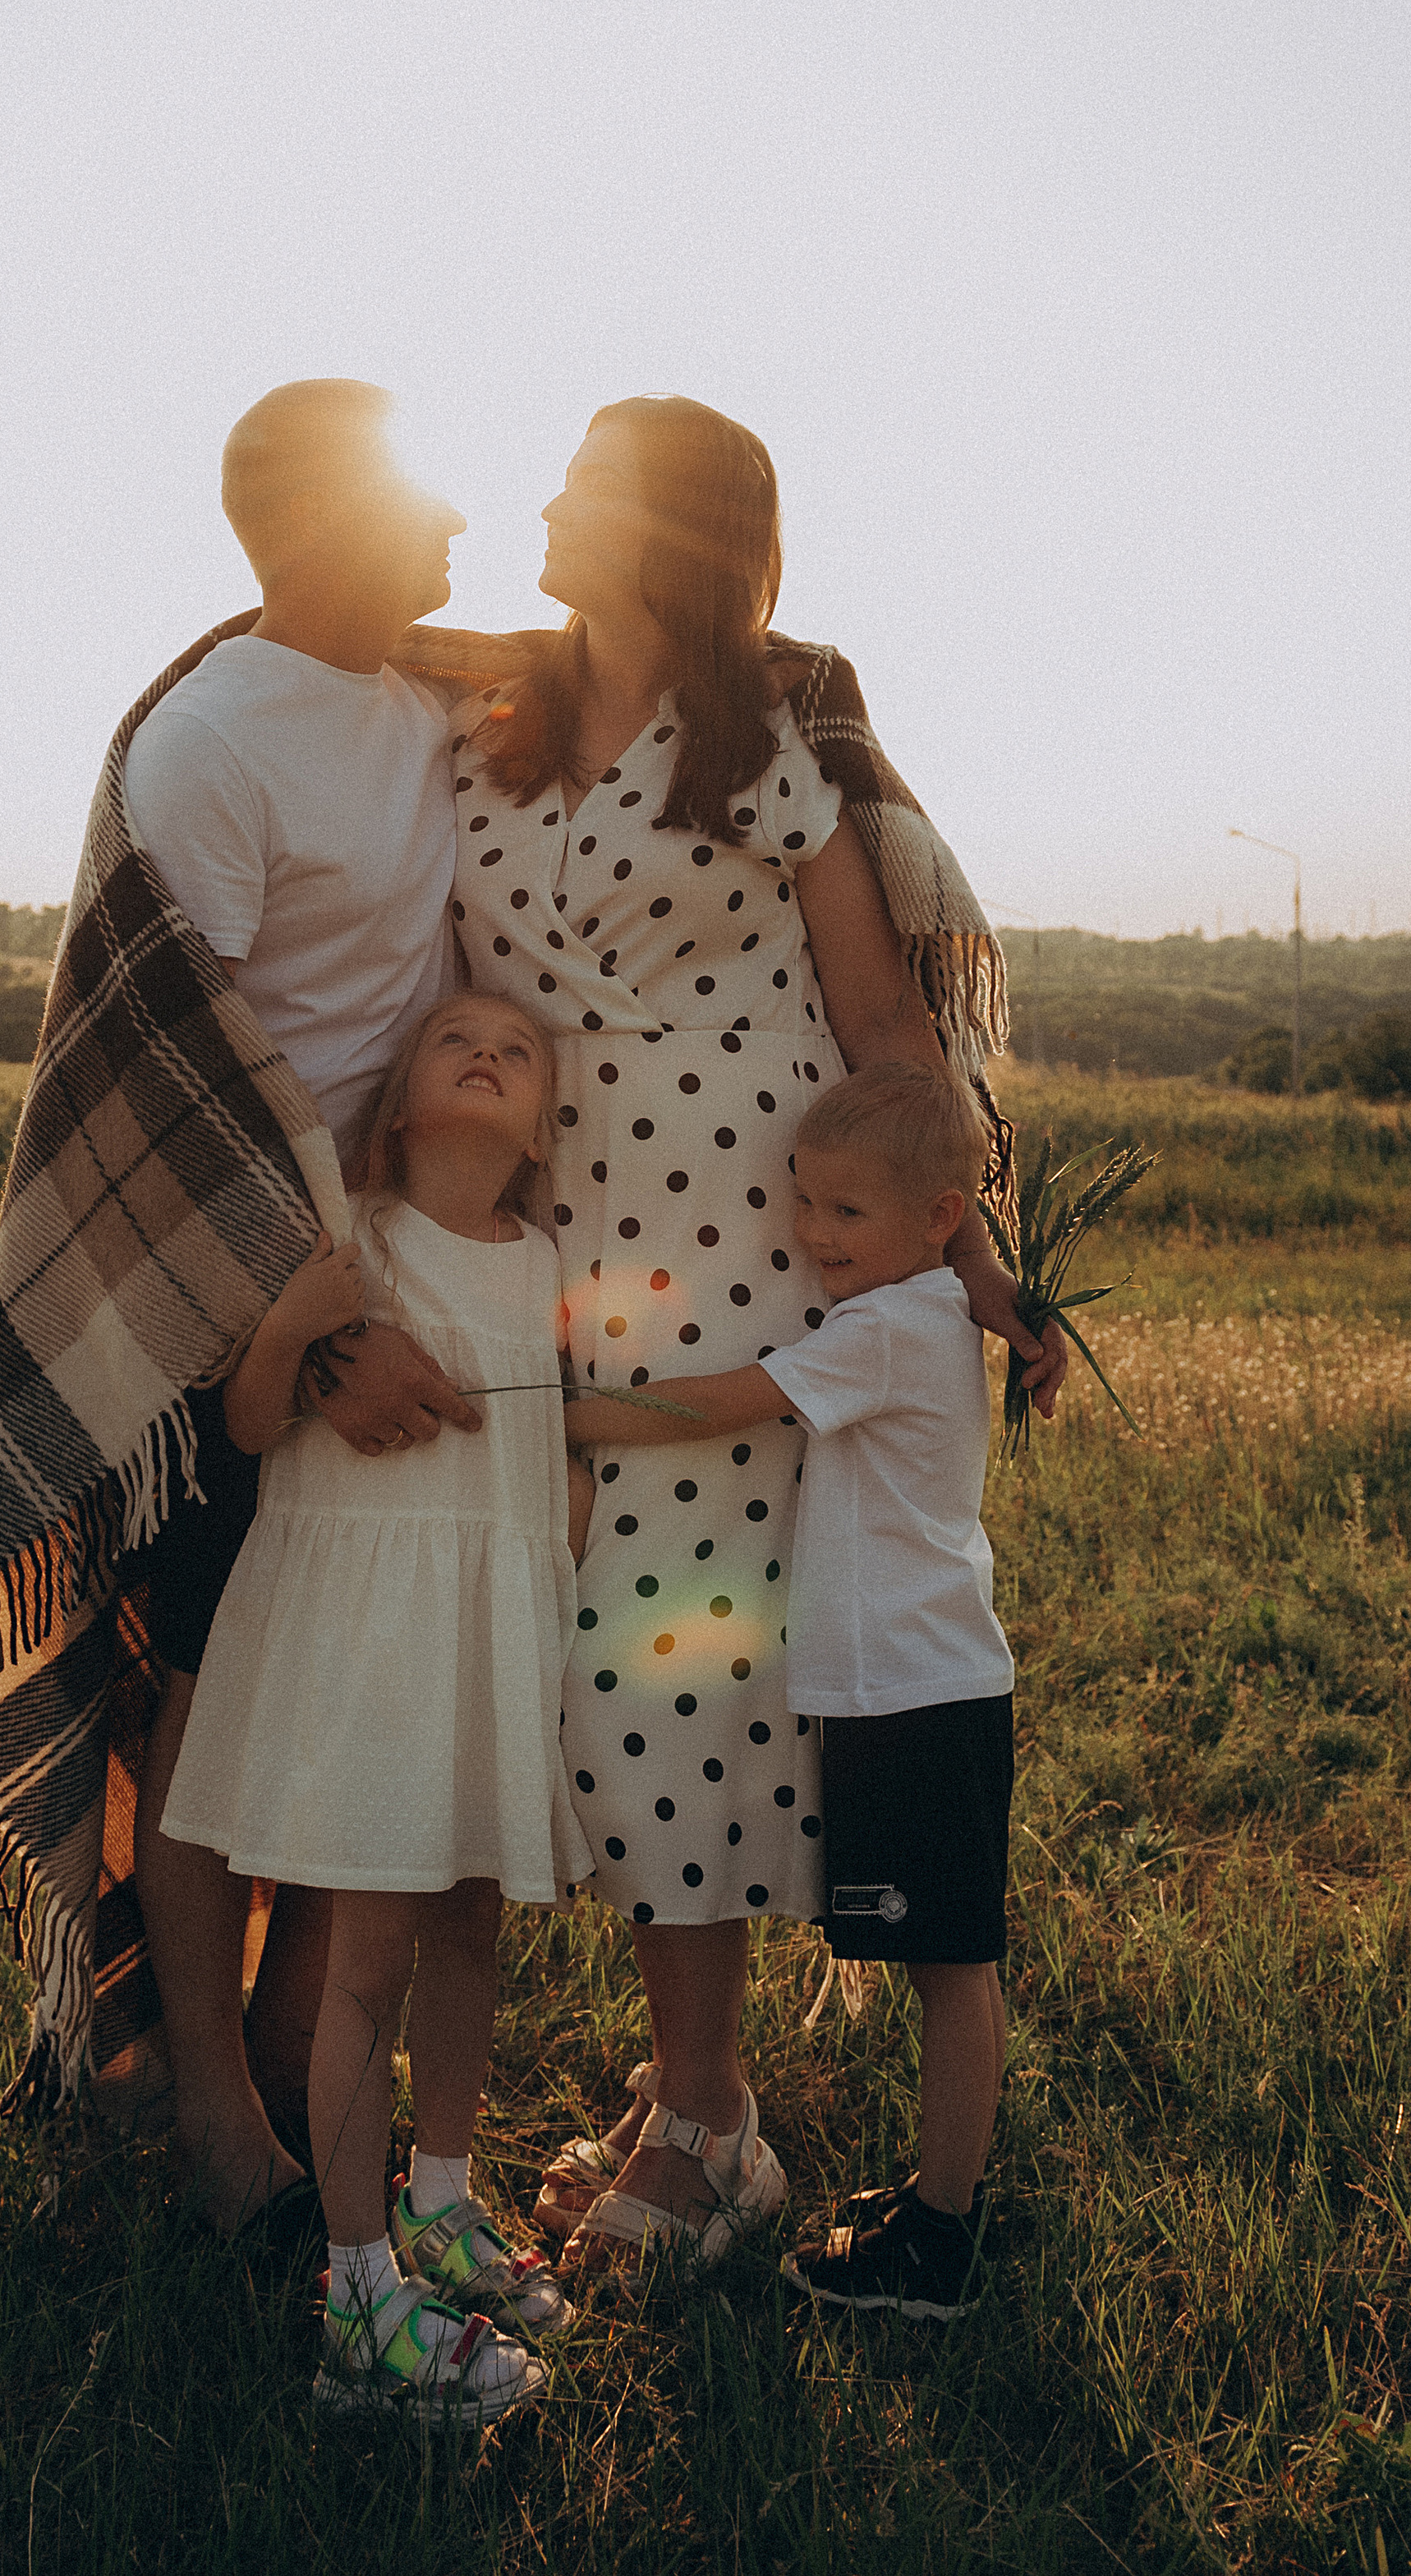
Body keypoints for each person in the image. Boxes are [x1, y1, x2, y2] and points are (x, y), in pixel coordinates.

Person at [440, 394, 1061, 2284]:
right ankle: (686, 2082)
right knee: (607, 1674)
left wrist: (981, 1275)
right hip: (576, 1244)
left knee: (670, 1680)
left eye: (584, 480)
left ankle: (711, 2124)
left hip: (765, 1250)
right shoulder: (490, 717)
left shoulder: (767, 741)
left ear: (671, 526)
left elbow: (883, 1025)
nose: (540, 496)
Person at [121, 379, 485, 2231]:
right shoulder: (209, 746)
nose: (455, 532)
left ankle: (285, 2045)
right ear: (336, 525)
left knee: (348, 1673)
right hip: (238, 1297)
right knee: (206, 1686)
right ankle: (202, 2098)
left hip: (399, 1270)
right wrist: (315, 1329)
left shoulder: (412, 694)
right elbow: (178, 1084)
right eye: (421, 503)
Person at [163, 996, 589, 2422]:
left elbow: (559, 1451)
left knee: (470, 1921)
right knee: (368, 1954)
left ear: (539, 1134)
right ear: (398, 1108)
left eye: (518, 1050)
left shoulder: (549, 1263)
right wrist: (291, 1321)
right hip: (371, 1648)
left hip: (482, 1639)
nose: (485, 1048)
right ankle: (356, 2293)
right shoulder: (361, 1243)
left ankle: (445, 2197)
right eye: (453, 1038)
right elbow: (248, 1417)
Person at [566, 1060, 1012, 2322]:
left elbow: (732, 1397)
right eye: (808, 1204)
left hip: (914, 1694)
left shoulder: (891, 1325)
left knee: (948, 1963)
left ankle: (937, 2238)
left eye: (847, 1212)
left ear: (939, 1217)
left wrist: (582, 1415)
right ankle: (936, 2198)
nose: (816, 1236)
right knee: (946, 1954)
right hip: (915, 1685)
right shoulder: (915, 1311)